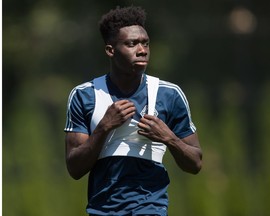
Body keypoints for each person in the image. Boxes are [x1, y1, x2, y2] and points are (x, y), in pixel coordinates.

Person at [64, 5, 202, 216]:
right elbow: (74, 169)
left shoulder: (169, 94)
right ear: (110, 50)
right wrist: (104, 127)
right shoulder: (84, 95)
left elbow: (195, 163)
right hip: (101, 210)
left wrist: (169, 138)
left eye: (145, 43)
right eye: (132, 44)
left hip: (151, 208)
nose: (142, 50)